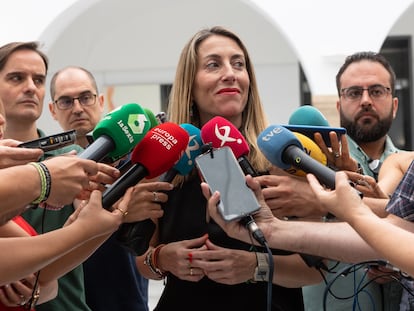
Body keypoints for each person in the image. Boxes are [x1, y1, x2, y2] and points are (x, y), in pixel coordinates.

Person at [135, 26, 322, 311]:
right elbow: (143, 260)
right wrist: (162, 258)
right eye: (213, 64)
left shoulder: (282, 160)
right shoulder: (167, 162)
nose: (230, 73)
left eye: (238, 64)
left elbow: (316, 268)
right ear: (191, 84)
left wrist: (255, 266)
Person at [300, 51, 402, 311]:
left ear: (394, 104)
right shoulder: (311, 167)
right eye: (354, 93)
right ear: (338, 105)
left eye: (377, 91)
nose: (366, 100)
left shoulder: (409, 169)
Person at [48, 66, 150, 311]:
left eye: (85, 97)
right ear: (52, 110)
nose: (77, 108)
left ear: (101, 100)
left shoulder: (138, 164)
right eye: (65, 101)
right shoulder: (47, 172)